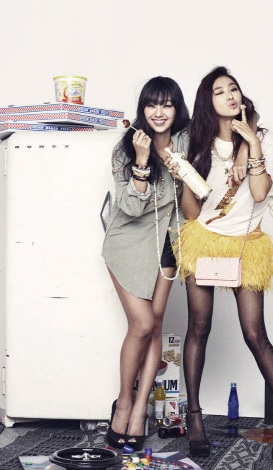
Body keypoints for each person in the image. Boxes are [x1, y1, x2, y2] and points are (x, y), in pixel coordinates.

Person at [174, 66, 273, 461]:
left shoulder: (264, 137)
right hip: (204, 239)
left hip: (246, 244)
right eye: (218, 91)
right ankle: (194, 417)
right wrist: (184, 178)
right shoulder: (199, 142)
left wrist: (251, 145)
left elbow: (259, 193)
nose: (229, 95)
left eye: (233, 88)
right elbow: (192, 213)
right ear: (207, 102)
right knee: (199, 327)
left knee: (254, 333)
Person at [101, 76, 190, 450]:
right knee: (141, 324)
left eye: (167, 104)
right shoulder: (125, 148)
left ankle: (139, 413)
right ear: (143, 108)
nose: (159, 112)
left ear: (176, 109)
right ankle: (123, 403)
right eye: (152, 104)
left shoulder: (186, 141)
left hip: (168, 243)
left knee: (155, 326)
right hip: (128, 242)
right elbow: (131, 207)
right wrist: (142, 160)